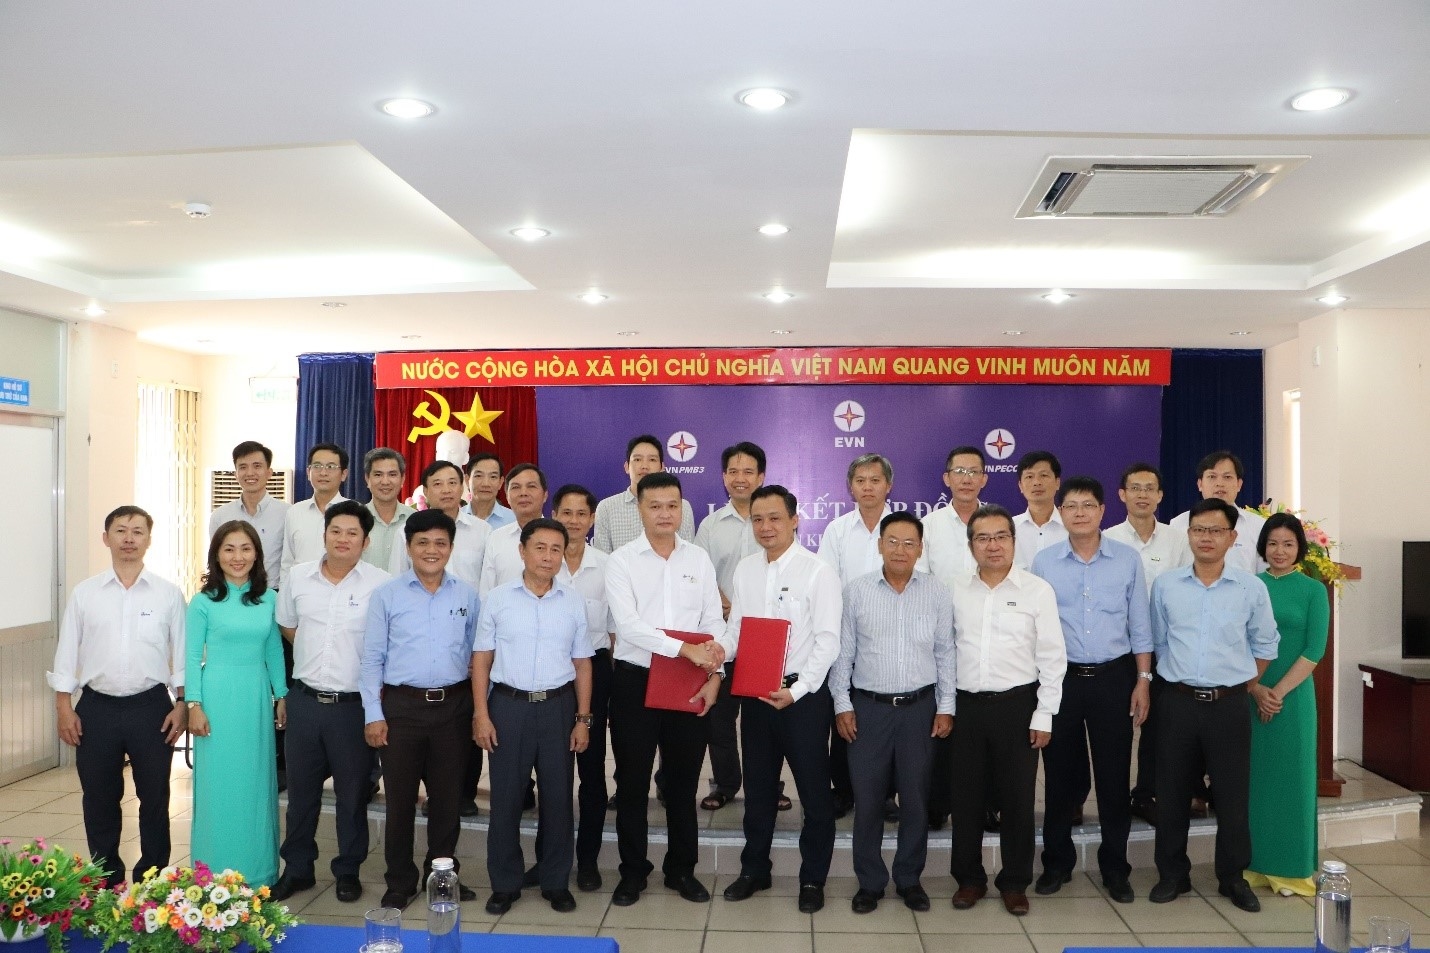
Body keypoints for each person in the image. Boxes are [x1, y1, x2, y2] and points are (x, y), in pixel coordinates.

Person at [1148, 498, 1279, 913]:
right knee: (1171, 794)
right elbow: (1159, 641)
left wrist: (1242, 683)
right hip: (1177, 703)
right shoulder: (1166, 585)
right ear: (1188, 535)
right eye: (1199, 530)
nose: (1206, 538)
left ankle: (1232, 877)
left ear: (1232, 537)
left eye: (1216, 530)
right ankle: (1173, 874)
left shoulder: (1251, 588)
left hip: (1229, 706)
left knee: (1232, 795)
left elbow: (1265, 645)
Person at [48, 506, 187, 884]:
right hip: (97, 708)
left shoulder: (168, 594)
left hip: (151, 707)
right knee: (98, 796)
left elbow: (182, 654)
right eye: (121, 530)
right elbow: (67, 652)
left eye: (138, 531)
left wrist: (181, 703)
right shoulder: (85, 593)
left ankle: (152, 877)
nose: (129, 538)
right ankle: (107, 875)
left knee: (155, 796)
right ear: (106, 538)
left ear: (149, 540)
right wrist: (64, 706)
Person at [604, 472, 725, 907]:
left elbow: (714, 621)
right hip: (636, 681)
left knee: (682, 783)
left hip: (688, 682)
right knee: (632, 782)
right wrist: (685, 649)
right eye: (654, 505)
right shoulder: (621, 561)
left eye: (672, 505)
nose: (664, 514)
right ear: (639, 508)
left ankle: (681, 870)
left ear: (682, 509)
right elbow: (629, 627)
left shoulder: (698, 559)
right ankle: (633, 871)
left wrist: (715, 674)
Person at [720, 486, 842, 913]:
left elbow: (828, 642)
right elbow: (736, 630)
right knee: (757, 791)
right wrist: (718, 651)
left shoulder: (818, 572)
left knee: (814, 794)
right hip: (756, 696)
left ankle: (812, 879)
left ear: (794, 520)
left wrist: (798, 689)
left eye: (774, 518)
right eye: (757, 519)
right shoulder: (746, 570)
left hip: (802, 700)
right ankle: (755, 870)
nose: (765, 527)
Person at [1030, 477, 1151, 905]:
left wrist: (1143, 680)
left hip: (1114, 678)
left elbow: (1140, 625)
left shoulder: (1127, 560)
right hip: (1060, 679)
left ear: (1102, 511)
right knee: (1060, 778)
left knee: (1114, 778)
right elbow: (1034, 627)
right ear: (1060, 513)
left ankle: (1116, 868)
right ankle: (1056, 863)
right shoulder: (1044, 562)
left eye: (1087, 505)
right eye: (1071, 506)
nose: (1079, 512)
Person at [829, 511, 955, 915]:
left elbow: (945, 653)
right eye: (893, 542)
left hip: (920, 709)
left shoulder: (937, 592)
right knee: (867, 800)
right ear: (880, 545)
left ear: (920, 549)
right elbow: (843, 655)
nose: (901, 550)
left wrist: (946, 706)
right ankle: (869, 882)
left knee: (916, 799)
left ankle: (909, 879)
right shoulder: (857, 591)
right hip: (869, 709)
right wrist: (842, 704)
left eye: (909, 543)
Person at [271, 501, 391, 904]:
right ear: (324, 535)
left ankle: (348, 870)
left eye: (352, 533)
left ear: (366, 541)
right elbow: (288, 625)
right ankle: (298, 869)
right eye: (335, 531)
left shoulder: (380, 585)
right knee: (300, 795)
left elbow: (384, 645)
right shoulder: (298, 578)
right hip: (305, 701)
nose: (343, 539)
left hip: (352, 706)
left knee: (352, 795)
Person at [473, 518, 594, 915]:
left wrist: (583, 719)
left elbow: (583, 663)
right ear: (522, 551)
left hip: (558, 708)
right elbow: (482, 659)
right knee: (506, 799)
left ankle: (555, 881)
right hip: (508, 707)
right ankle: (504, 884)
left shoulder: (572, 601)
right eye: (539, 548)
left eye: (556, 549)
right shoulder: (498, 599)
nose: (548, 556)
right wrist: (481, 714)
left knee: (558, 799)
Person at [362, 509, 482, 910]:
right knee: (400, 801)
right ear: (409, 546)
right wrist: (373, 714)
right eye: (423, 543)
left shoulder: (466, 595)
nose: (432, 550)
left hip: (453, 707)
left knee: (447, 800)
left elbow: (477, 655)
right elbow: (372, 659)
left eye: (441, 543)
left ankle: (443, 877)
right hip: (401, 708)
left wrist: (476, 708)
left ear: (451, 547)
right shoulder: (387, 595)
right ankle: (399, 881)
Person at [949, 505, 1066, 917]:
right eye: (983, 538)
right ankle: (969, 879)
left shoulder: (1037, 591)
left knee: (1018, 799)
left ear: (1014, 542)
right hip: (965, 707)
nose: (993, 545)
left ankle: (1015, 882)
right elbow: (944, 651)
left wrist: (1044, 713)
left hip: (1018, 706)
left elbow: (1052, 657)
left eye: (1001, 536)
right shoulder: (955, 590)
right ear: (971, 546)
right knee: (965, 798)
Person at [185, 520, 288, 886]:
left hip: (255, 696)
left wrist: (281, 695)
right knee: (218, 786)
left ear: (257, 554)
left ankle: (259, 873)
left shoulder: (269, 599)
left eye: (245, 548)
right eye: (228, 549)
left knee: (256, 784)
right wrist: (193, 705)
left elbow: (273, 650)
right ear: (216, 555)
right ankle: (211, 873)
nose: (237, 557)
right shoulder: (203, 602)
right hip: (216, 698)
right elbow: (191, 655)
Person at [1246, 513, 1328, 899]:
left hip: (1293, 700)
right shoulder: (1250, 586)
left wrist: (1275, 693)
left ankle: (1292, 869)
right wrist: (1255, 689)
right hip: (1250, 693)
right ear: (1263, 546)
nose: (1280, 551)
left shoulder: (1313, 590)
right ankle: (1253, 864)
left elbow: (1314, 650)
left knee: (1293, 779)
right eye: (1273, 543)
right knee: (1254, 781)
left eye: (1288, 544)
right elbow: (1236, 642)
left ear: (1300, 548)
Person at [1104, 463, 1191, 827]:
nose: (1142, 494)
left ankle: (1146, 793)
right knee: (1117, 727)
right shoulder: (1106, 539)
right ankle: (1113, 797)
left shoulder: (1177, 540)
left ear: (1160, 495)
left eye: (1149, 488)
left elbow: (1187, 588)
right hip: (1118, 649)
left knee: (1157, 725)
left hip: (1164, 647)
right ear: (1122, 494)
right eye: (1135, 488)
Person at [817, 452, 897, 818]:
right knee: (843, 711)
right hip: (846, 636)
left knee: (887, 719)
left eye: (875, 480)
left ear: (888, 485)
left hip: (892, 637)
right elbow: (826, 584)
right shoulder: (837, 530)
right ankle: (843, 789)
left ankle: (887, 794)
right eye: (860, 481)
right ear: (850, 487)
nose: (868, 487)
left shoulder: (902, 528)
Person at [693, 441, 766, 812]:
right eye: (733, 471)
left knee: (762, 719)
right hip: (722, 632)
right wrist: (729, 608)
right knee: (719, 719)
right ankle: (725, 783)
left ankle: (767, 785)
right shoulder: (710, 525)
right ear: (723, 477)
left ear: (761, 477)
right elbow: (701, 575)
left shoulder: (771, 520)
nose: (741, 478)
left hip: (763, 636)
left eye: (748, 471)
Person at [919, 444, 987, 830]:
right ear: (946, 479)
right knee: (940, 723)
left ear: (984, 479)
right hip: (940, 640)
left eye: (973, 471)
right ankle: (937, 803)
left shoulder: (995, 522)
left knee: (981, 726)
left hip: (985, 639)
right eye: (959, 472)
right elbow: (922, 582)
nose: (966, 479)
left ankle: (987, 803)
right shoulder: (929, 527)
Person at [390, 459, 491, 589]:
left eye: (452, 483)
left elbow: (488, 582)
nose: (446, 490)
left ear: (462, 488)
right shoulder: (406, 531)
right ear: (425, 491)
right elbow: (397, 581)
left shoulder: (483, 531)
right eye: (438, 484)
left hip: (469, 602)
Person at [593, 434, 696, 553]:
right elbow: (603, 559)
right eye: (637, 459)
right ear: (627, 467)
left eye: (652, 460)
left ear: (662, 467)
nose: (644, 466)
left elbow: (687, 555)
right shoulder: (606, 508)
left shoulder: (682, 506)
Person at [1168, 451, 1267, 574]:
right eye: (1212, 477)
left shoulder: (1259, 526)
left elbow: (1265, 575)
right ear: (1200, 484)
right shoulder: (1178, 524)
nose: (1219, 483)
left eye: (1227, 477)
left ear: (1239, 484)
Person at [208, 440, 290, 584]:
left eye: (257, 466)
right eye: (243, 467)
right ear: (236, 474)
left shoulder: (288, 513)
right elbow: (216, 561)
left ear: (269, 472)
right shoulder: (220, 516)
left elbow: (291, 561)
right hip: (231, 592)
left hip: (273, 592)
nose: (250, 473)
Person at [280, 443, 350, 589]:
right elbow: (287, 562)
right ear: (308, 472)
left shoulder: (354, 512)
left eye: (331, 467)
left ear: (343, 474)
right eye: (317, 466)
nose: (323, 473)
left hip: (342, 592)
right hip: (301, 593)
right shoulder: (294, 512)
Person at [479, 463, 550, 595]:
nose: (523, 493)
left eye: (531, 486)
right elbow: (486, 593)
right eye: (516, 487)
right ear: (507, 497)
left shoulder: (559, 538)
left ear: (545, 495)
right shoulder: (496, 538)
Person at [361, 448, 415, 572]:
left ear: (402, 479)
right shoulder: (355, 520)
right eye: (378, 475)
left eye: (392, 474)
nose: (385, 481)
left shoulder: (415, 520)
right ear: (367, 479)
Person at [1012, 451, 1066, 570]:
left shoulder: (1072, 528)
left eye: (1044, 475)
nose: (1037, 482)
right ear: (1020, 486)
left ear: (1057, 483)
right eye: (1029, 477)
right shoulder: (1009, 528)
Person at [465, 453, 515, 528]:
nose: (486, 484)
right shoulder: (455, 519)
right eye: (478, 476)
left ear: (500, 482)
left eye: (493, 477)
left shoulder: (514, 520)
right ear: (467, 480)